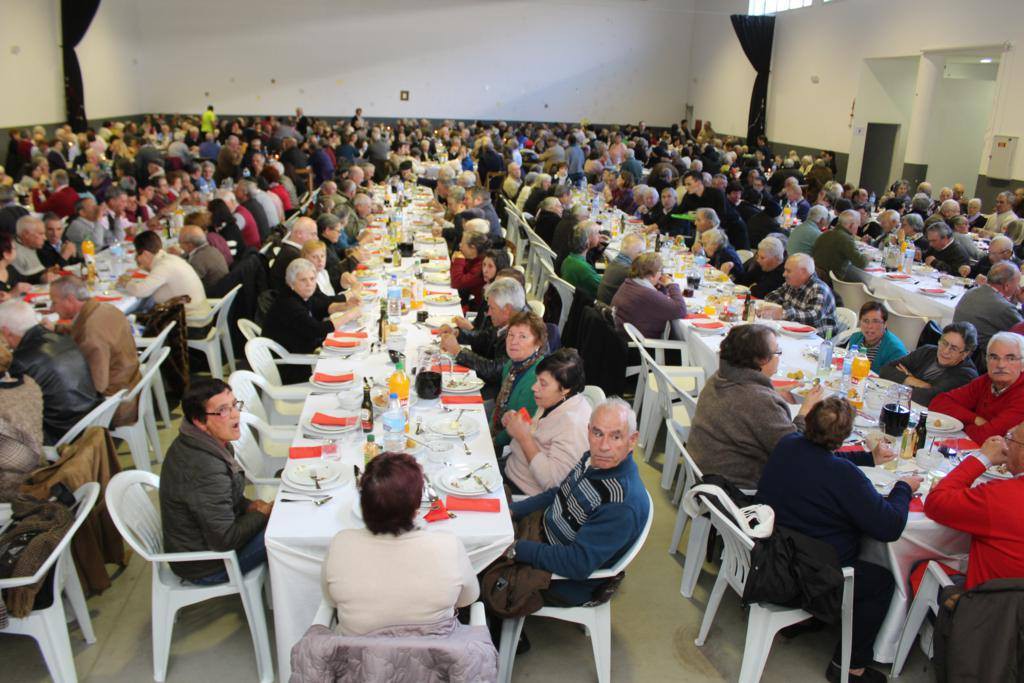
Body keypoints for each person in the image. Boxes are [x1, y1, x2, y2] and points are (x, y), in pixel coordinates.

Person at [757, 397, 917, 683]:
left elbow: (821, 459)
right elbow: (889, 526)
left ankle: (809, 619)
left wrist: (868, 459)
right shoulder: (843, 477)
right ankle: (850, 666)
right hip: (809, 575)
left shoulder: (788, 444)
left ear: (808, 422)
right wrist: (904, 487)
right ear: (844, 437)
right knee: (881, 580)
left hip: (773, 555)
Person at [505, 397, 650, 607]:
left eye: (616, 436)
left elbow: (577, 564)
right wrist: (513, 511)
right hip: (541, 534)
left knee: (480, 577)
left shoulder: (621, 503)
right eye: (597, 433)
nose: (603, 446)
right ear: (588, 430)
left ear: (632, 439)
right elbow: (558, 493)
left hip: (564, 581)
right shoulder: (592, 459)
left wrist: (516, 549)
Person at [323, 451, 478, 635]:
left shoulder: (341, 544)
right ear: (416, 506)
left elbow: (331, 600)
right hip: (433, 659)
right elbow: (468, 598)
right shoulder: (448, 546)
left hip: (358, 660)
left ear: (364, 504)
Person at [160, 379, 271, 584]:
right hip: (207, 565)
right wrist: (262, 513)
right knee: (285, 535)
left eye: (234, 405)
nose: (236, 415)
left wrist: (249, 506)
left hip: (210, 544)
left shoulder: (209, 442)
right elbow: (225, 539)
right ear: (199, 421)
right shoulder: (203, 467)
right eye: (222, 411)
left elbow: (225, 497)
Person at [687, 324, 824, 489]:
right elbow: (794, 451)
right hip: (734, 488)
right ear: (761, 360)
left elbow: (747, 403)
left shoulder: (721, 377)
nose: (779, 357)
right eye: (777, 352)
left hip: (706, 467)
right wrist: (806, 412)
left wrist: (772, 390)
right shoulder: (759, 401)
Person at [924, 423, 1024, 590]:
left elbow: (936, 502)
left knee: (916, 565)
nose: (1006, 445)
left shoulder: (1001, 497)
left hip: (987, 608)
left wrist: (982, 458)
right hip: (1011, 605)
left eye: (1010, 438)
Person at [0, 299, 99, 445]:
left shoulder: (22, 361)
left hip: (60, 432)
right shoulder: (60, 338)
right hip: (89, 417)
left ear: (6, 332)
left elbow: (13, 405)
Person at [48, 275, 141, 427]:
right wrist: (57, 328)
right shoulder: (105, 309)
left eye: (54, 302)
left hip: (115, 404)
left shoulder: (91, 334)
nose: (52, 308)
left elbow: (98, 385)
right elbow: (83, 326)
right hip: (131, 382)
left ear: (70, 300)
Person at [499, 348, 592, 496]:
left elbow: (553, 483)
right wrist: (517, 422)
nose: (534, 387)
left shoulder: (573, 425)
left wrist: (524, 438)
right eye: (537, 380)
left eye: (543, 383)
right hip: (510, 467)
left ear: (565, 389)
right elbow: (541, 435)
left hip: (521, 491)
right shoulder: (554, 400)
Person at [262, 258, 360, 384]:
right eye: (303, 280)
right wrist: (348, 316)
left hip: (304, 352)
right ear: (291, 283)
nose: (309, 284)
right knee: (349, 367)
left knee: (350, 359)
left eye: (312, 279)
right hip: (293, 367)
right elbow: (316, 330)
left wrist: (346, 306)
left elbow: (320, 308)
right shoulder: (288, 303)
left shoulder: (300, 295)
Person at [457, 311, 546, 449]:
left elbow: (518, 428)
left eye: (522, 336)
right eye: (510, 335)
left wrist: (490, 443)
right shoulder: (512, 364)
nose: (513, 341)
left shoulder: (537, 378)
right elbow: (499, 407)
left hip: (513, 448)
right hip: (497, 430)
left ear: (538, 343)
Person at [930, 332, 1024, 442]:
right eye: (994, 357)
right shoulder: (986, 381)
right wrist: (975, 419)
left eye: (1010, 358)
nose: (1001, 365)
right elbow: (938, 402)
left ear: (1022, 365)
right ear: (987, 361)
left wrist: (963, 424)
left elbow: (986, 437)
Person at [878, 321, 979, 406]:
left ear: (966, 354)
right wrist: (916, 382)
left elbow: (927, 398)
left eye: (954, 348)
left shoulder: (966, 375)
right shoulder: (927, 351)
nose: (946, 351)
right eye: (944, 343)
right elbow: (885, 370)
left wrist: (902, 380)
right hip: (903, 405)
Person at [118, 230, 211, 320]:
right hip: (199, 315)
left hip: (189, 323)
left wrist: (125, 282)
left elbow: (140, 291)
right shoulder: (170, 259)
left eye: (138, 255)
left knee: (129, 318)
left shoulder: (163, 266)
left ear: (145, 254)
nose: (138, 259)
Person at [952, 261, 1023, 369]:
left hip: (959, 351)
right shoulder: (1003, 307)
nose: (1018, 287)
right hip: (982, 363)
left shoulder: (972, 291)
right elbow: (1021, 332)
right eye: (1017, 283)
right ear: (1007, 286)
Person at [611, 252, 687, 338]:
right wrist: (671, 285)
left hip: (623, 338)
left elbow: (659, 302)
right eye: (660, 271)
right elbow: (681, 309)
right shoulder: (646, 294)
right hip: (642, 346)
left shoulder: (630, 283)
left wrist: (661, 287)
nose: (661, 274)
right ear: (652, 274)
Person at [761, 253, 838, 334]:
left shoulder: (819, 289)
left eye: (788, 271)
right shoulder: (792, 283)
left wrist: (783, 313)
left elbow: (813, 317)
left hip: (818, 337)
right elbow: (770, 297)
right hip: (795, 330)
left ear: (803, 272)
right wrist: (772, 309)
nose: (784, 274)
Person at [843, 302, 908, 372]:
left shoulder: (895, 350)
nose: (870, 326)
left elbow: (891, 380)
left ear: (885, 324)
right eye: (865, 321)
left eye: (875, 321)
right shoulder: (855, 338)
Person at [812, 209, 869, 284]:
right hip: (831, 282)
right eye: (857, 225)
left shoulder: (825, 233)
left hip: (816, 277)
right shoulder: (846, 239)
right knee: (863, 283)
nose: (857, 229)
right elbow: (861, 263)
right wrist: (867, 257)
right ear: (851, 225)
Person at [175, 224, 228, 295]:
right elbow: (188, 255)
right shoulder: (211, 249)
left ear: (189, 245)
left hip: (209, 295)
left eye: (180, 243)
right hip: (220, 289)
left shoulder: (198, 259)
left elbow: (187, 283)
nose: (179, 246)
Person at [270, 217, 318, 292]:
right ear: (299, 234)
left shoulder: (290, 250)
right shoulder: (294, 256)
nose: (316, 238)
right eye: (313, 234)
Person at [597, 232, 644, 304]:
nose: (642, 255)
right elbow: (646, 291)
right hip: (610, 311)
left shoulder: (616, 261)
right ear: (637, 253)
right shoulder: (627, 271)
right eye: (640, 252)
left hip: (601, 306)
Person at [559, 224, 602, 299]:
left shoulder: (568, 259)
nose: (600, 236)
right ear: (587, 242)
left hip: (570, 299)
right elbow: (603, 287)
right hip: (582, 303)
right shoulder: (583, 268)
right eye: (597, 233)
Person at [450, 231, 491, 307]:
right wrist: (455, 260)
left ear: (473, 247)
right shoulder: (473, 258)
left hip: (476, 307)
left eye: (462, 243)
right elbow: (455, 274)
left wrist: (459, 260)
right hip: (468, 298)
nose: (460, 246)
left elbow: (456, 283)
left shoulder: (482, 265)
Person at [0, 233, 30, 300]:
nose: (16, 251)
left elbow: (26, 280)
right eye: (14, 248)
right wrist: (11, 294)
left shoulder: (10, 269)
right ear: (6, 254)